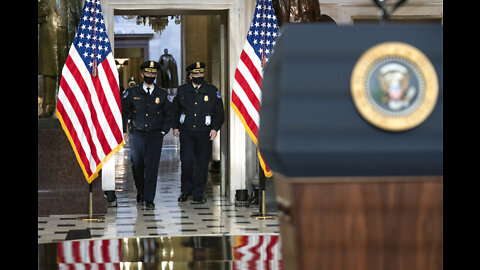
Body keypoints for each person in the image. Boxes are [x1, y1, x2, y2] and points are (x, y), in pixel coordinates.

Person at [121, 61, 173, 210]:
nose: (150, 76)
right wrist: (124, 130)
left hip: (155, 135)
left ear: (156, 75)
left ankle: (149, 198)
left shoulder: (162, 94)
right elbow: (124, 111)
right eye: (147, 73)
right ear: (142, 74)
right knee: (137, 165)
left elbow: (168, 114)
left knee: (152, 167)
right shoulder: (132, 92)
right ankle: (141, 191)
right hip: (137, 134)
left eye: (153, 73)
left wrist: (163, 131)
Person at [172, 62, 225, 203]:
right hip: (186, 131)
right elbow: (174, 110)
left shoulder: (212, 91)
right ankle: (185, 190)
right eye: (195, 74)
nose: (198, 76)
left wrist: (215, 128)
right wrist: (175, 127)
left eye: (200, 73)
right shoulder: (182, 90)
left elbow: (219, 112)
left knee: (202, 163)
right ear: (190, 76)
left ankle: (198, 193)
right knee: (187, 161)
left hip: (204, 132)